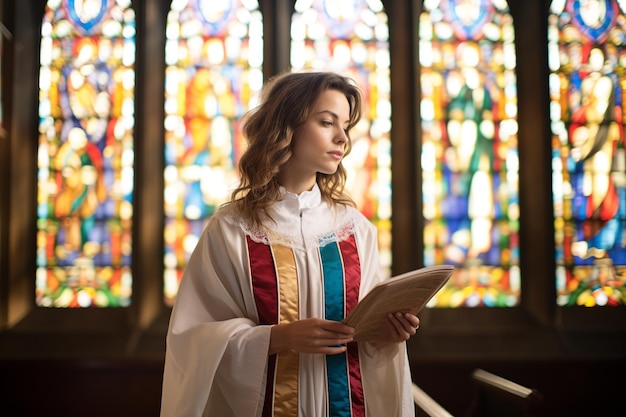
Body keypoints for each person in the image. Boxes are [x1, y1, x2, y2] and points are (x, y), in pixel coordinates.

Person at [160, 71, 420, 417]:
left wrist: (388, 335)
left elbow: (364, 339)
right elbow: (193, 340)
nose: (343, 138)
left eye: (346, 126)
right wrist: (279, 338)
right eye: (327, 122)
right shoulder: (234, 229)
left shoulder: (355, 230)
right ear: (288, 125)